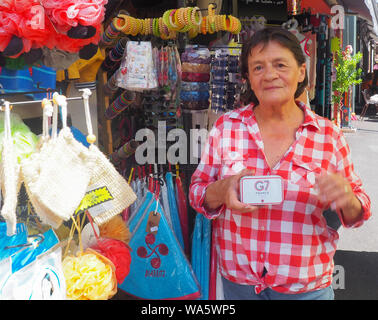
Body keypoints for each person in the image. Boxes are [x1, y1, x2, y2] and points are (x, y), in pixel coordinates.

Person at [189, 27, 371, 300]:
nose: (269, 75)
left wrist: (346, 197)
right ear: (249, 78)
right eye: (258, 67)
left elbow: (359, 212)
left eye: (280, 65)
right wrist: (222, 189)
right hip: (239, 285)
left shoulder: (327, 135)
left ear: (301, 71)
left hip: (305, 287)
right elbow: (196, 192)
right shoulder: (227, 127)